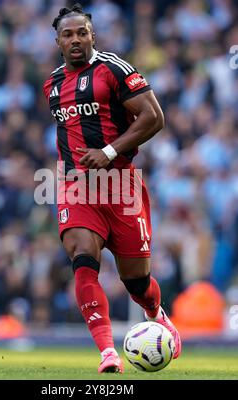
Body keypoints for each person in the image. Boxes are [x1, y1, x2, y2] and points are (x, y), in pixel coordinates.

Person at [43, 3, 181, 373]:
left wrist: (108, 151)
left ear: (92, 36)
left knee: (136, 280)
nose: (75, 39)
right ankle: (107, 351)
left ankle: (155, 311)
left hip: (120, 185)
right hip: (76, 187)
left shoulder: (113, 69)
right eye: (68, 34)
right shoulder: (52, 84)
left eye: (82, 32)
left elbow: (154, 117)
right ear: (57, 41)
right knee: (82, 258)